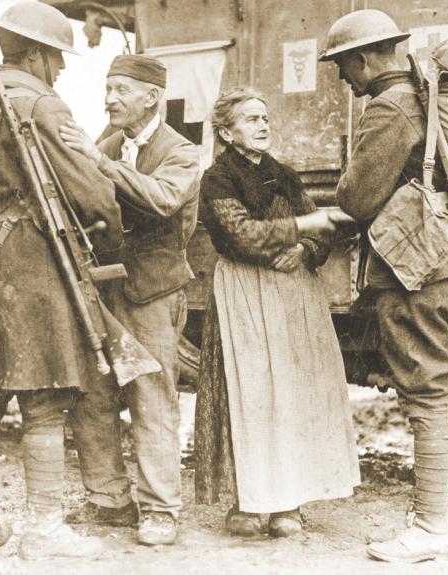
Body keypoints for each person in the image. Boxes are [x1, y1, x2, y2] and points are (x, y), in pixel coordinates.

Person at [0, 2, 123, 560]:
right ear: (31, 53)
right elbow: (94, 189)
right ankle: (44, 530)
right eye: (56, 55)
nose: (62, 68)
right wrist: (113, 238)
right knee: (45, 402)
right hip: (32, 265)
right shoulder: (40, 104)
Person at [319, 9, 448, 562]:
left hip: (411, 275)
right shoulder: (421, 100)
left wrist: (344, 182)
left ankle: (431, 527)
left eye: (342, 67)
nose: (342, 80)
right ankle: (428, 518)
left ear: (364, 58)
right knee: (433, 393)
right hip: (437, 267)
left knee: (425, 396)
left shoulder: (389, 108)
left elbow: (354, 199)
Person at [194, 88, 360, 538]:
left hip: (291, 295)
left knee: (291, 395)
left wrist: (305, 250)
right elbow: (240, 235)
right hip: (243, 295)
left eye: (264, 118)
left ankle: (288, 504)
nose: (263, 125)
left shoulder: (284, 175)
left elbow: (321, 230)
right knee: (249, 394)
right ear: (227, 133)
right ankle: (247, 504)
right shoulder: (217, 180)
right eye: (251, 119)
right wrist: (299, 228)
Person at [59, 54, 200, 546]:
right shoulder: (110, 142)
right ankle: (109, 499)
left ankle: (160, 509)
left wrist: (97, 163)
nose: (109, 98)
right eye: (107, 88)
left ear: (151, 97)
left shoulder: (182, 152)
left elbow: (162, 198)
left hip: (153, 293)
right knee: (93, 392)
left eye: (121, 90)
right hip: (104, 288)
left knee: (151, 397)